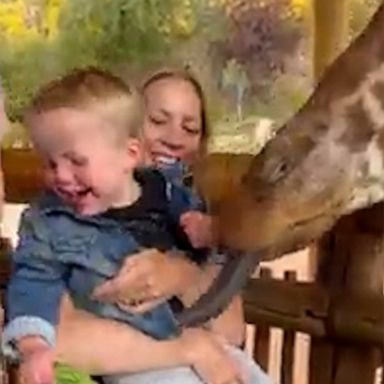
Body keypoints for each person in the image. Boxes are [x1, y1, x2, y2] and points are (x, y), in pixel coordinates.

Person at [2, 68, 272, 384]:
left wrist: (207, 240)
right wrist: (34, 343)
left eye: (190, 127)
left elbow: (227, 323)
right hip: (139, 368)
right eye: (157, 121)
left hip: (209, 350)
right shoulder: (52, 223)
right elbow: (46, 311)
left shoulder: (173, 196)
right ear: (132, 132)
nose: (174, 138)